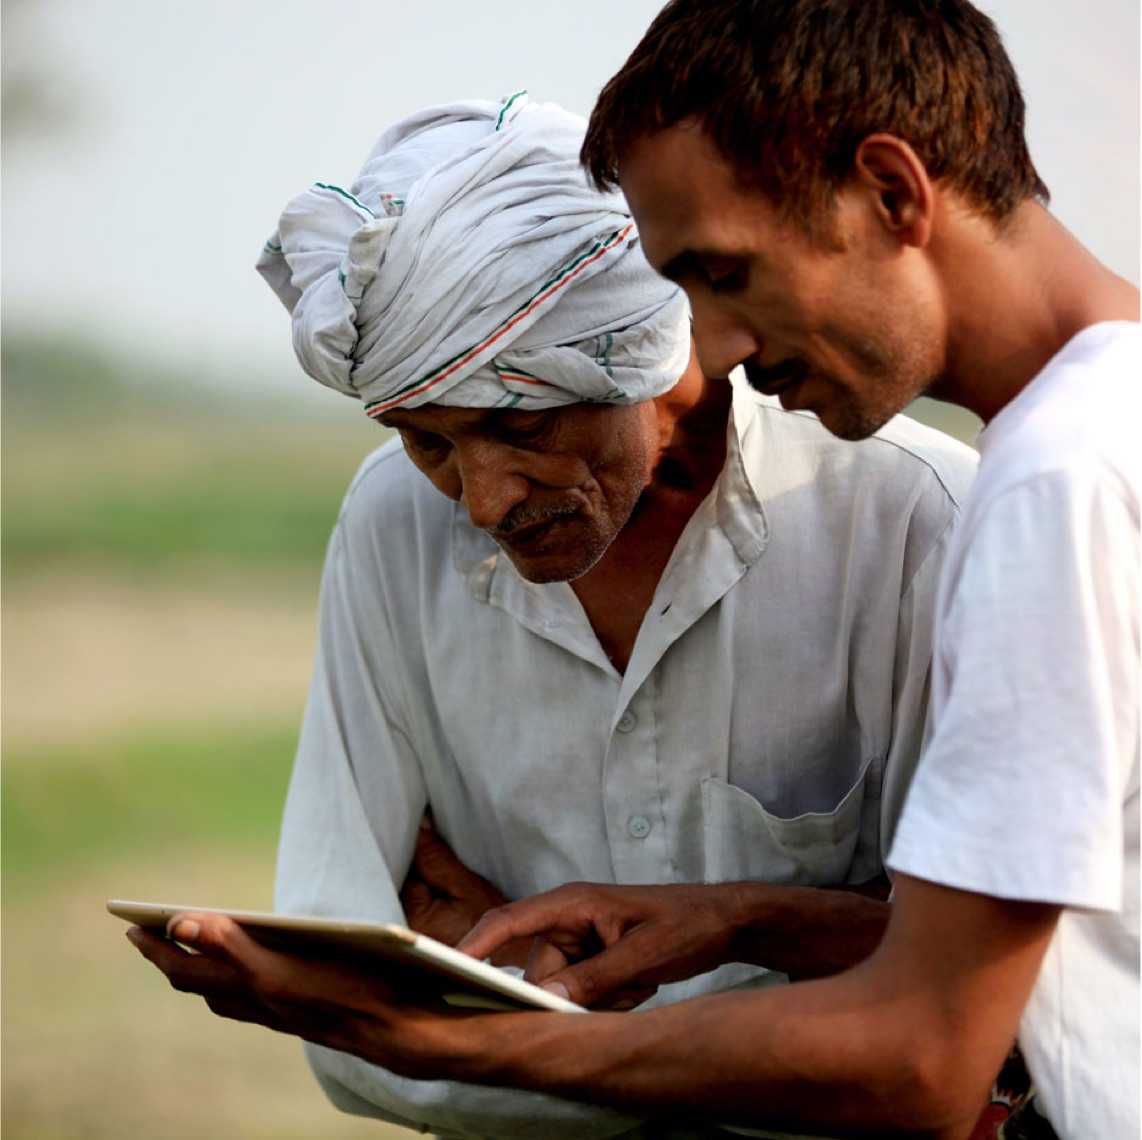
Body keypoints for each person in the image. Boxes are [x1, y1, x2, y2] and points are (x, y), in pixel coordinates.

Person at [123, 68, 1039, 1137]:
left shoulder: (911, 520)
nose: (479, 500)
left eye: (521, 429)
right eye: (425, 441)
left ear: (641, 354)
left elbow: (968, 1022)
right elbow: (348, 1024)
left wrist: (494, 1022)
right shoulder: (390, 524)